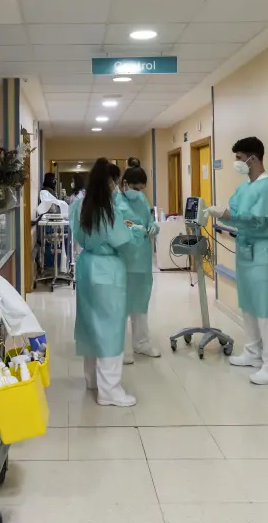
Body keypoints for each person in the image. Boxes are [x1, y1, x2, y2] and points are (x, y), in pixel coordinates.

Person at [209, 137, 268, 385]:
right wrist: (225, 214)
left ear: (253, 158)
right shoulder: (245, 188)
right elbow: (237, 214)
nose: (236, 163)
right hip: (245, 249)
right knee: (248, 304)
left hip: (263, 251)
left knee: (266, 308)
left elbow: (258, 220)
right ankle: (253, 352)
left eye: (239, 158)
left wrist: (227, 215)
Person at [70, 158, 142, 406]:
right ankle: (110, 390)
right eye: (116, 183)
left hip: (87, 267)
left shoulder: (80, 205)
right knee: (110, 328)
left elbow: (80, 233)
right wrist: (136, 233)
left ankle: (92, 379)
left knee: (91, 324)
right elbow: (122, 242)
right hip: (106, 270)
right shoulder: (106, 209)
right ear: (110, 182)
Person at [119, 166, 161, 362]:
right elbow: (115, 229)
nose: (139, 192)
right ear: (125, 184)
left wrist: (153, 226)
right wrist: (133, 230)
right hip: (124, 259)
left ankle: (141, 343)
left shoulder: (142, 200)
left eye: (142, 188)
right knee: (121, 305)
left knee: (141, 303)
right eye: (136, 188)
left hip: (142, 260)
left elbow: (148, 219)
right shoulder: (116, 202)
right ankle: (120, 348)